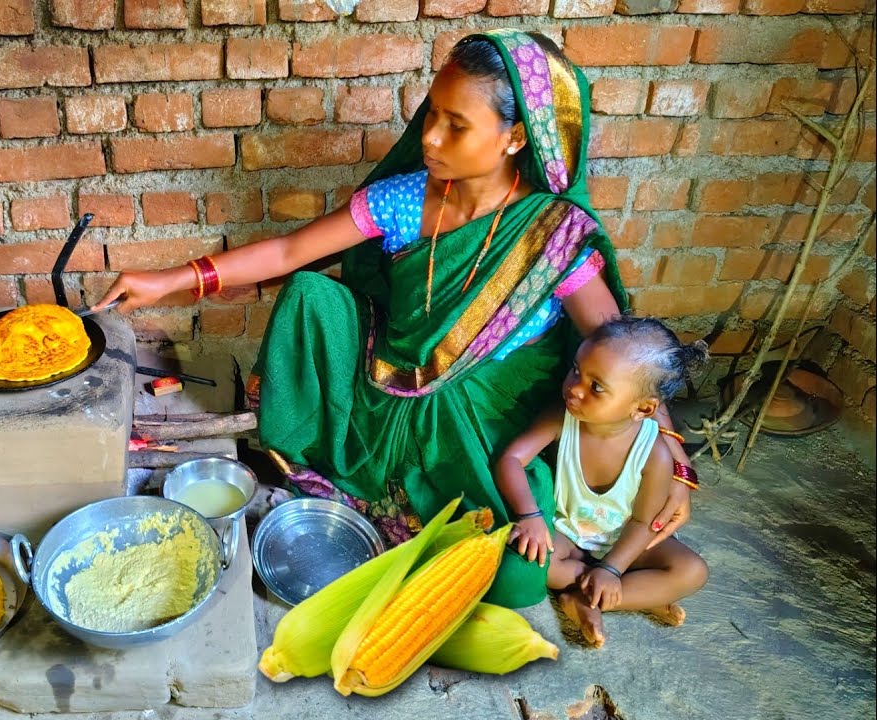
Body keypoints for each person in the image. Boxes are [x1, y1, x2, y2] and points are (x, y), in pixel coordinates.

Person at [94, 29, 699, 608]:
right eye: (430, 114)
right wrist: (168, 281)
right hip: (382, 385)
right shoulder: (406, 197)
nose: (430, 138)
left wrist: (670, 451)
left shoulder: (551, 235)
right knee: (311, 294)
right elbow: (287, 254)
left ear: (515, 139)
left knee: (518, 578)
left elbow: (623, 351)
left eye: (456, 124)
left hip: (477, 422)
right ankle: (333, 458)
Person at [495, 316, 710, 647]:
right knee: (528, 561)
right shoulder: (561, 418)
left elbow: (643, 522)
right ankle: (632, 595)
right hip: (567, 534)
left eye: (596, 387)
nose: (575, 389)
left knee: (692, 571)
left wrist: (611, 569)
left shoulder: (654, 454)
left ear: (643, 408)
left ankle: (588, 599)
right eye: (576, 370)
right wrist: (530, 516)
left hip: (624, 542)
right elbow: (511, 460)